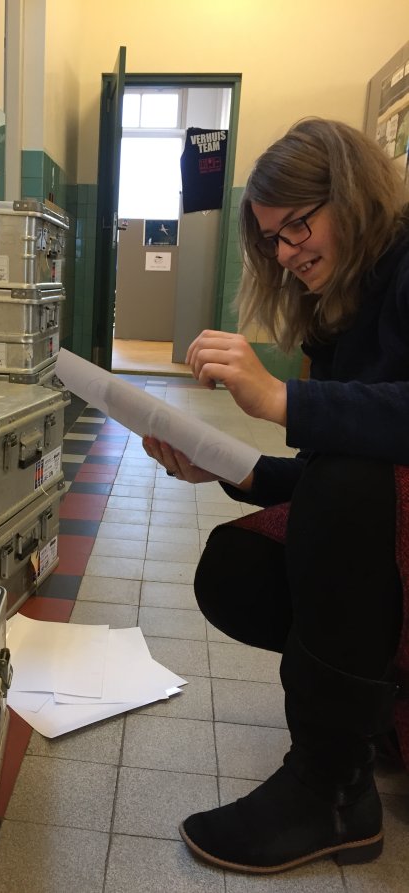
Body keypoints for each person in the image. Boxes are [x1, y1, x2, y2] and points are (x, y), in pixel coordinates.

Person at [142, 117, 409, 874]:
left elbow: (369, 466)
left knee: (352, 481)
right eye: (272, 239)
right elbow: (337, 468)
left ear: (353, 198)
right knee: (241, 566)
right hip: (387, 511)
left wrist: (284, 399)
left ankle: (331, 788)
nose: (289, 252)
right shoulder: (345, 306)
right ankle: (364, 727)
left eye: (300, 223)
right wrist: (226, 465)